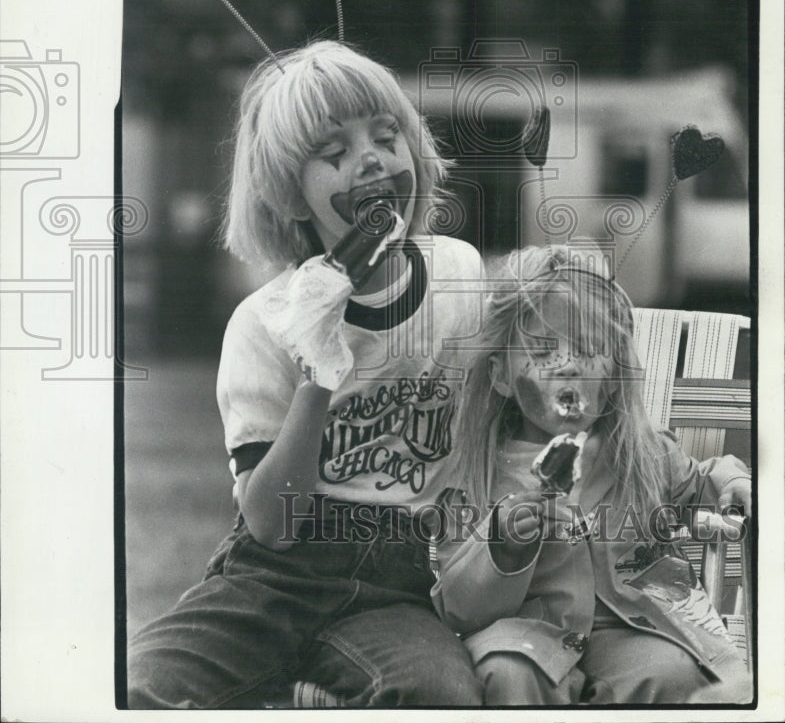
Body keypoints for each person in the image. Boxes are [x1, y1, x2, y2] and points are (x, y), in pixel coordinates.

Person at [127, 41, 484, 708]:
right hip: (272, 575)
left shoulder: (458, 275)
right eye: (334, 154)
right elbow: (270, 523)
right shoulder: (263, 322)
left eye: (386, 137)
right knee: (144, 684)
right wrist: (318, 370)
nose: (371, 158)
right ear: (292, 197)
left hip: (401, 580)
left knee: (437, 694)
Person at [431, 244, 752, 705]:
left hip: (633, 624)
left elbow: (697, 484)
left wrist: (728, 481)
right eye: (542, 350)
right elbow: (457, 607)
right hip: (524, 632)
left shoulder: (639, 452)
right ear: (501, 378)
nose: (568, 363)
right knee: (506, 671)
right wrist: (500, 545)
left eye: (588, 349)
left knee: (672, 672)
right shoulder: (477, 471)